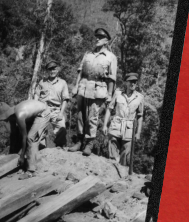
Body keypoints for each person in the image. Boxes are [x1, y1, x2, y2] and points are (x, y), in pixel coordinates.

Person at [70, 27, 118, 155]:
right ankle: (79, 141)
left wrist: (109, 94)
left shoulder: (111, 57)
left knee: (92, 117)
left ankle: (89, 144)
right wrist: (75, 86)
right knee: (80, 116)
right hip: (83, 87)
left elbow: (112, 78)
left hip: (98, 89)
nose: (97, 39)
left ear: (106, 41)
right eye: (96, 37)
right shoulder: (88, 54)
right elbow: (80, 71)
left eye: (100, 38)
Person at [0, 99, 49, 172]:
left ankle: (31, 170)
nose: (5, 121)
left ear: (7, 116)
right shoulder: (13, 115)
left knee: (30, 137)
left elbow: (24, 136)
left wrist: (22, 156)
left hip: (43, 113)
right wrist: (11, 154)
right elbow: (13, 134)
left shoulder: (19, 114)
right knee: (20, 134)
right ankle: (23, 155)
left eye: (5, 119)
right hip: (33, 116)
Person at [103, 72, 145, 167]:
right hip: (116, 126)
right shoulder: (118, 94)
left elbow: (140, 116)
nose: (133, 84)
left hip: (129, 129)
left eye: (134, 82)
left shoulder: (140, 97)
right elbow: (109, 109)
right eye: (130, 82)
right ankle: (112, 169)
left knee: (126, 154)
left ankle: (122, 172)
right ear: (126, 82)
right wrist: (105, 125)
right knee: (112, 148)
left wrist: (138, 132)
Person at [35, 59, 71, 147]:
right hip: (42, 110)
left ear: (58, 69)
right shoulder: (42, 82)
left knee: (62, 127)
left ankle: (59, 147)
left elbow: (65, 99)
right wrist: (35, 110)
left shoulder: (62, 83)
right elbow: (36, 95)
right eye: (50, 69)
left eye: (54, 69)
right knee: (38, 129)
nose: (52, 71)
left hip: (56, 110)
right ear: (47, 71)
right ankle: (41, 147)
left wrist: (61, 113)